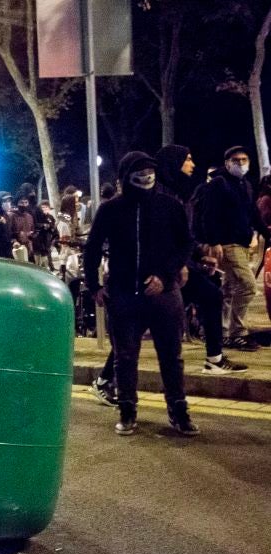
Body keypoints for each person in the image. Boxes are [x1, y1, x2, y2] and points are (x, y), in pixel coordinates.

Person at [84, 151, 198, 436]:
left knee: (171, 356)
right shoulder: (110, 210)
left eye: (150, 171)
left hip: (165, 296)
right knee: (125, 357)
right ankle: (127, 410)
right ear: (125, 177)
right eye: (139, 172)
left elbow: (185, 244)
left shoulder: (170, 206)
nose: (146, 176)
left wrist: (166, 275)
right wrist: (95, 286)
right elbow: (93, 248)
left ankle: (178, 411)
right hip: (123, 296)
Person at [156, 144, 246, 374]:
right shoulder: (160, 195)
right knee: (145, 321)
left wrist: (200, 255)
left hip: (176, 267)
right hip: (163, 270)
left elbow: (182, 236)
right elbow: (163, 237)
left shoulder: (177, 191)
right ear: (174, 163)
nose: (192, 164)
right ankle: (109, 377)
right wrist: (184, 264)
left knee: (210, 297)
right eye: (187, 159)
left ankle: (214, 359)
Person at [192, 146, 271, 352]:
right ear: (227, 162)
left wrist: (266, 233)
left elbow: (252, 213)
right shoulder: (220, 184)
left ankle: (223, 332)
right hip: (228, 243)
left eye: (244, 159)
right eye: (236, 160)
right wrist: (214, 241)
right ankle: (238, 333)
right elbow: (209, 214)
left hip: (242, 243)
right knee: (247, 286)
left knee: (228, 290)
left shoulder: (244, 184)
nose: (241, 163)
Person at [32, 200, 59, 269]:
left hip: (47, 238)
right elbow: (35, 225)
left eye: (47, 207)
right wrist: (43, 225)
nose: (45, 209)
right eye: (43, 207)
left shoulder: (50, 217)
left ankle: (51, 267)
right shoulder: (36, 215)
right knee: (38, 257)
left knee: (47, 254)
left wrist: (51, 227)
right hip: (38, 239)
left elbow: (53, 227)